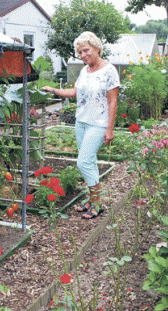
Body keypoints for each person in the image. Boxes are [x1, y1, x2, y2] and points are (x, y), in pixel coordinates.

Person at [43, 31, 119, 219]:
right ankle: (92, 201)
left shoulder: (109, 71)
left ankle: (98, 203)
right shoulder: (85, 71)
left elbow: (113, 101)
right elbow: (75, 92)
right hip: (82, 122)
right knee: (89, 161)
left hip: (99, 124)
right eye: (80, 53)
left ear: (97, 48)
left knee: (83, 162)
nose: (83, 55)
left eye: (86, 51)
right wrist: (53, 89)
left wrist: (110, 128)